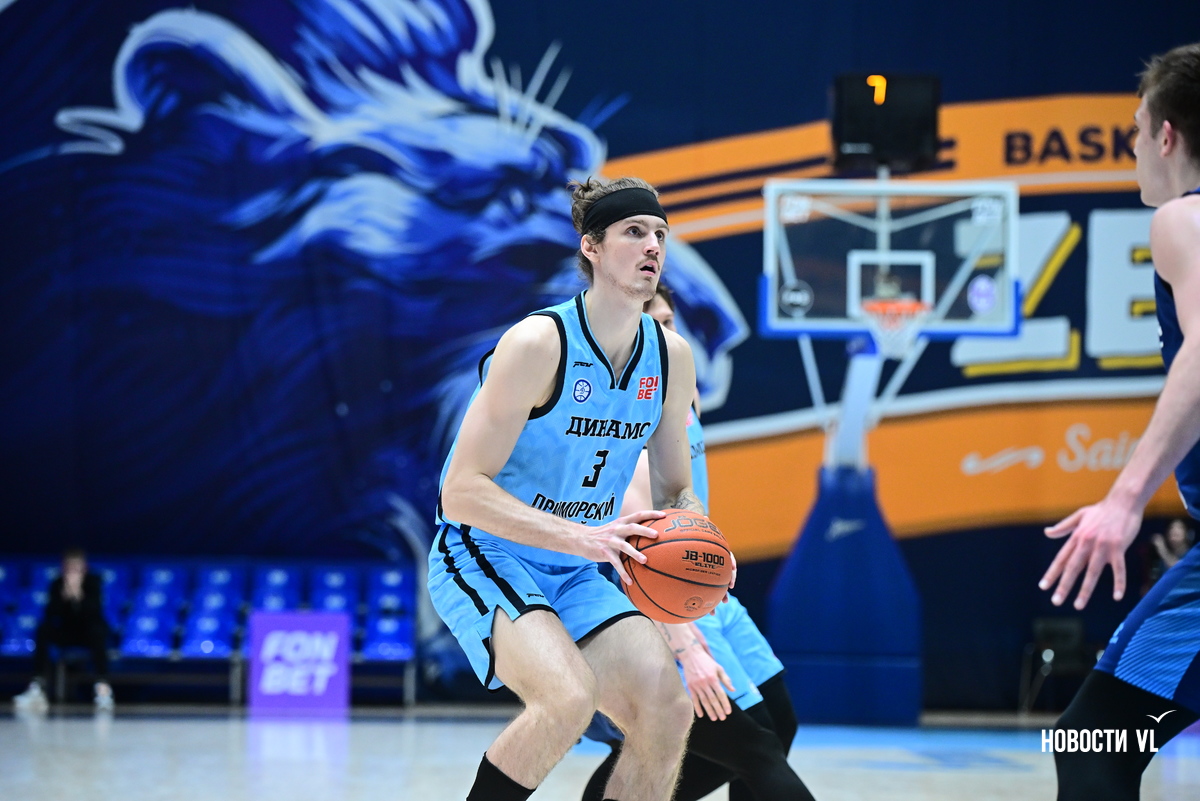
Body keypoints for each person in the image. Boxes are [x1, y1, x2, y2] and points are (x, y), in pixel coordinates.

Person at [427, 176, 701, 801]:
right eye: (635, 231)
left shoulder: (671, 358)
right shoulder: (538, 343)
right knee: (567, 698)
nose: (653, 245)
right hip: (485, 549)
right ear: (592, 247)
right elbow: (460, 492)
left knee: (667, 708)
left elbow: (675, 491)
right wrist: (583, 537)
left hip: (578, 566)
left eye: (660, 234)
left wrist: (697, 537)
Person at [1038, 42, 1200, 801]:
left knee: (1094, 740)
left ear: (1166, 135)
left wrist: (1126, 497)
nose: (1132, 147)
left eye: (1135, 130)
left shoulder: (1183, 218)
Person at [583, 283, 815, 801]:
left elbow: (684, 508)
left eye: (669, 323)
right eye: (653, 326)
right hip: (659, 604)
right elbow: (639, 555)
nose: (667, 335)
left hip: (707, 594)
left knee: (778, 725)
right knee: (755, 750)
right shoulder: (620, 413)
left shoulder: (682, 396)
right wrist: (685, 646)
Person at [12, 548, 114, 711]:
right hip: (67, 631)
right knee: (43, 630)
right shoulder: (57, 584)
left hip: (87, 632)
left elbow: (95, 612)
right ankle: (37, 686)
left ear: (84, 568)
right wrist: (64, 598)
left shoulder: (93, 582)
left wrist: (79, 597)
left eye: (76, 568)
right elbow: (50, 614)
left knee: (98, 632)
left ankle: (103, 687)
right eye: (69, 568)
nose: (72, 573)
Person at [1142, 518, 1195, 593]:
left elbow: (1178, 570)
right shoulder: (1161, 560)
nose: (1174, 531)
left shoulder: (1193, 554)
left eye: (1179, 528)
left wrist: (1162, 549)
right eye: (1171, 528)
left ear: (1187, 533)